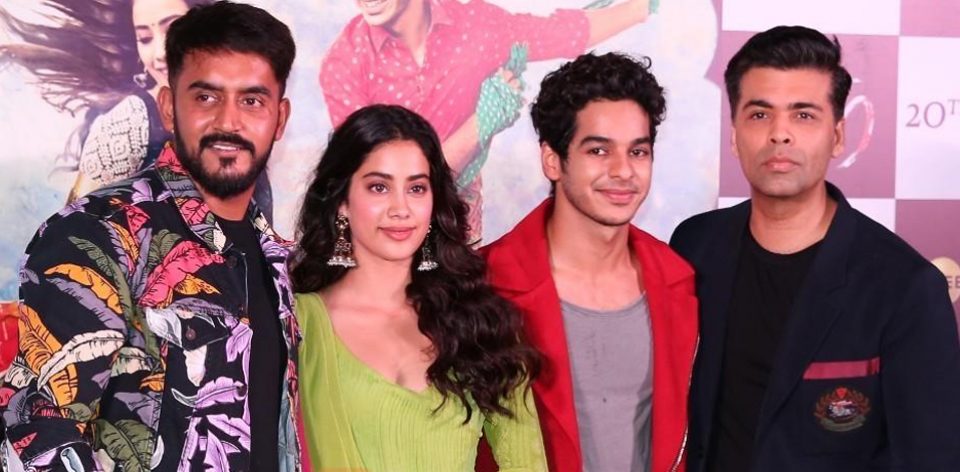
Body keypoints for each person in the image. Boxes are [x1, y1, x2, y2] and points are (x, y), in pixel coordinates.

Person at [1, 2, 301, 470]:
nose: (228, 121)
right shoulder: (97, 233)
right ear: (168, 107)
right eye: (206, 97)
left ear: (279, 119)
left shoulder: (276, 259)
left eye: (252, 101)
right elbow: (38, 431)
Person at [670, 25, 960, 471]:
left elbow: (930, 458)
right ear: (733, 134)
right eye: (759, 114)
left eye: (803, 115)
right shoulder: (694, 245)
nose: (779, 134)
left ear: (838, 136)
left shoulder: (906, 287)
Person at [291, 104, 546, 471]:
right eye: (379, 187)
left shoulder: (481, 327)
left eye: (416, 188)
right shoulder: (297, 325)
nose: (401, 208)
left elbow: (526, 464)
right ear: (342, 202)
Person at [482, 52, 699, 472]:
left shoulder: (679, 280)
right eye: (599, 150)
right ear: (552, 160)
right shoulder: (484, 285)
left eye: (638, 151)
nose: (623, 171)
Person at [321, 0, 656, 238]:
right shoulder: (344, 64)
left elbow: (563, 33)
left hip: (458, 238)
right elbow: (391, 185)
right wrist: (482, 123)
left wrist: (642, 7)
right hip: (381, 244)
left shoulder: (475, 28)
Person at [0, 0, 274, 215]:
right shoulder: (130, 121)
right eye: (145, 38)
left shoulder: (243, 112)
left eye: (173, 29)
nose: (159, 53)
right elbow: (77, 241)